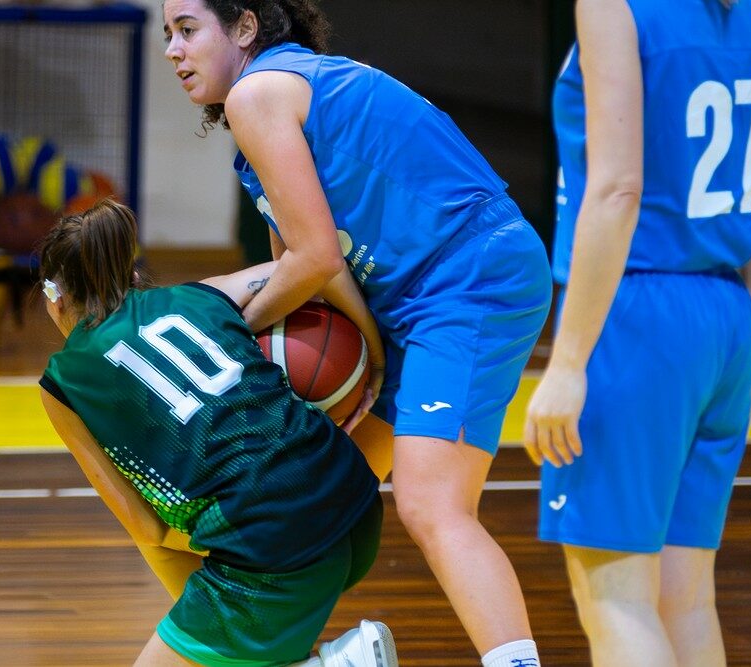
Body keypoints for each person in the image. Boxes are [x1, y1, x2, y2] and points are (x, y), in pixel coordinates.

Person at [162, 2, 552, 665]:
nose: (173, 49)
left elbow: (313, 259)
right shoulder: (265, 115)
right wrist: (364, 348)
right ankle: (332, 658)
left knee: (433, 505)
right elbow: (303, 272)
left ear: (245, 27)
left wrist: (226, 335)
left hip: (465, 274)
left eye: (188, 30)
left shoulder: (261, 94)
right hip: (414, 296)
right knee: (310, 492)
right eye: (166, 34)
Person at [38, 198, 399, 667]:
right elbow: (312, 261)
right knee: (216, 624)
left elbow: (145, 527)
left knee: (162, 531)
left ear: (56, 299)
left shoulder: (61, 382)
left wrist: (228, 536)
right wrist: (372, 352)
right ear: (130, 277)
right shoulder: (204, 293)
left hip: (278, 552)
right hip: (358, 508)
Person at [524, 0, 751, 664]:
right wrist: (723, 333)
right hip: (726, 312)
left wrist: (570, 361)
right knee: (685, 600)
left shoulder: (614, 4)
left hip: (637, 308)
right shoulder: (749, 14)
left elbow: (616, 190)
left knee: (617, 600)